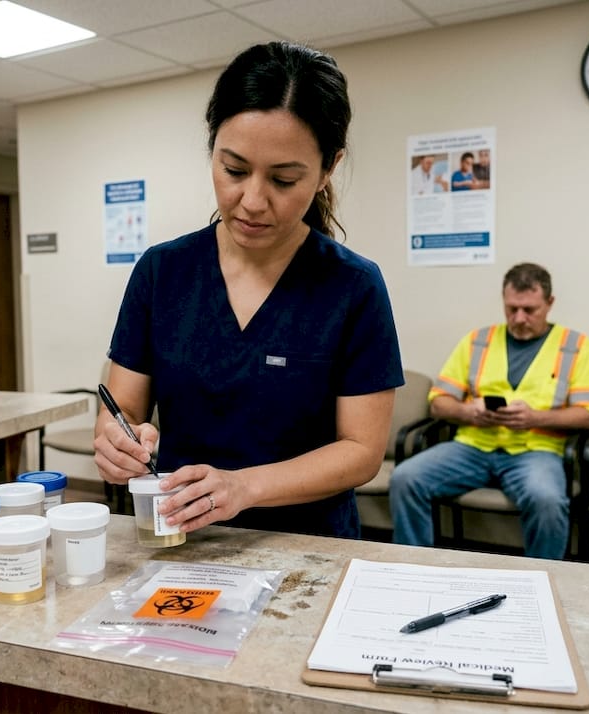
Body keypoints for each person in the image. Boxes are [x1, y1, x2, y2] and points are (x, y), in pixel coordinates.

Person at [94, 41, 404, 539]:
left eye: (283, 180)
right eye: (234, 170)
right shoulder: (162, 272)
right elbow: (122, 410)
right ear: (211, 149)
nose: (253, 201)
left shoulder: (353, 287)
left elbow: (361, 452)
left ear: (328, 169)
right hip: (182, 541)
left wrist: (244, 487)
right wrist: (116, 442)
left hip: (309, 549)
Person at [389, 263, 589, 559]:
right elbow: (439, 403)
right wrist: (470, 412)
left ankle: (541, 579)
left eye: (530, 310)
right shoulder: (477, 341)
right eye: (511, 309)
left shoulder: (576, 347)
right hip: (473, 446)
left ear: (550, 303)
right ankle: (414, 567)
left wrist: (534, 418)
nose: (519, 318)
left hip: (536, 451)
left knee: (547, 499)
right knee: (405, 478)